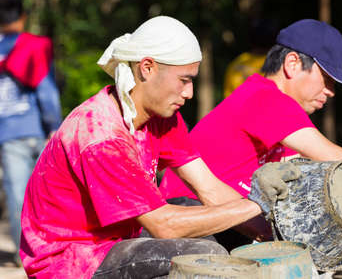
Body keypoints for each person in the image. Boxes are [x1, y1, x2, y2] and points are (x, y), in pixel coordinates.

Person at [19, 15, 265, 279]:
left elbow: (210, 189)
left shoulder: (162, 118)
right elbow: (164, 226)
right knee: (205, 256)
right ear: (147, 67)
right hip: (71, 260)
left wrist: (272, 231)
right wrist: (259, 204)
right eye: (184, 80)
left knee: (199, 212)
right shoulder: (101, 135)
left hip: (117, 238)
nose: (189, 93)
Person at [160, 19, 342, 232]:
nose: (331, 91)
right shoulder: (266, 98)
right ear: (293, 64)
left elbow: (318, 175)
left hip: (226, 217)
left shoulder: (266, 103)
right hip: (193, 216)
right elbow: (331, 156)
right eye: (327, 79)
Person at [0, 0, 62, 262]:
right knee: (50, 195)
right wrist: (55, 126)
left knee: (18, 197)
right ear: (23, 17)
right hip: (39, 130)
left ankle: (24, 255)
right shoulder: (34, 46)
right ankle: (54, 249)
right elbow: (47, 92)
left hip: (9, 134)